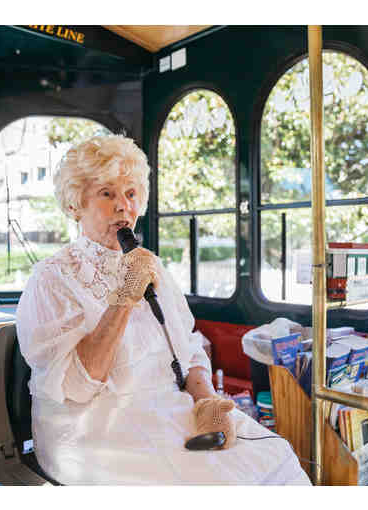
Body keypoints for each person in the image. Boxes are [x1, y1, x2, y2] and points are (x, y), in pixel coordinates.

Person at [16, 134, 311, 485]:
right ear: (75, 204)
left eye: (130, 193)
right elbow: (78, 387)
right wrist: (124, 297)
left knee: (276, 457)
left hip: (165, 407)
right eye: (107, 194)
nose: (123, 207)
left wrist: (206, 401)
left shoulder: (151, 265)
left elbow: (186, 346)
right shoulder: (52, 278)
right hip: (95, 425)